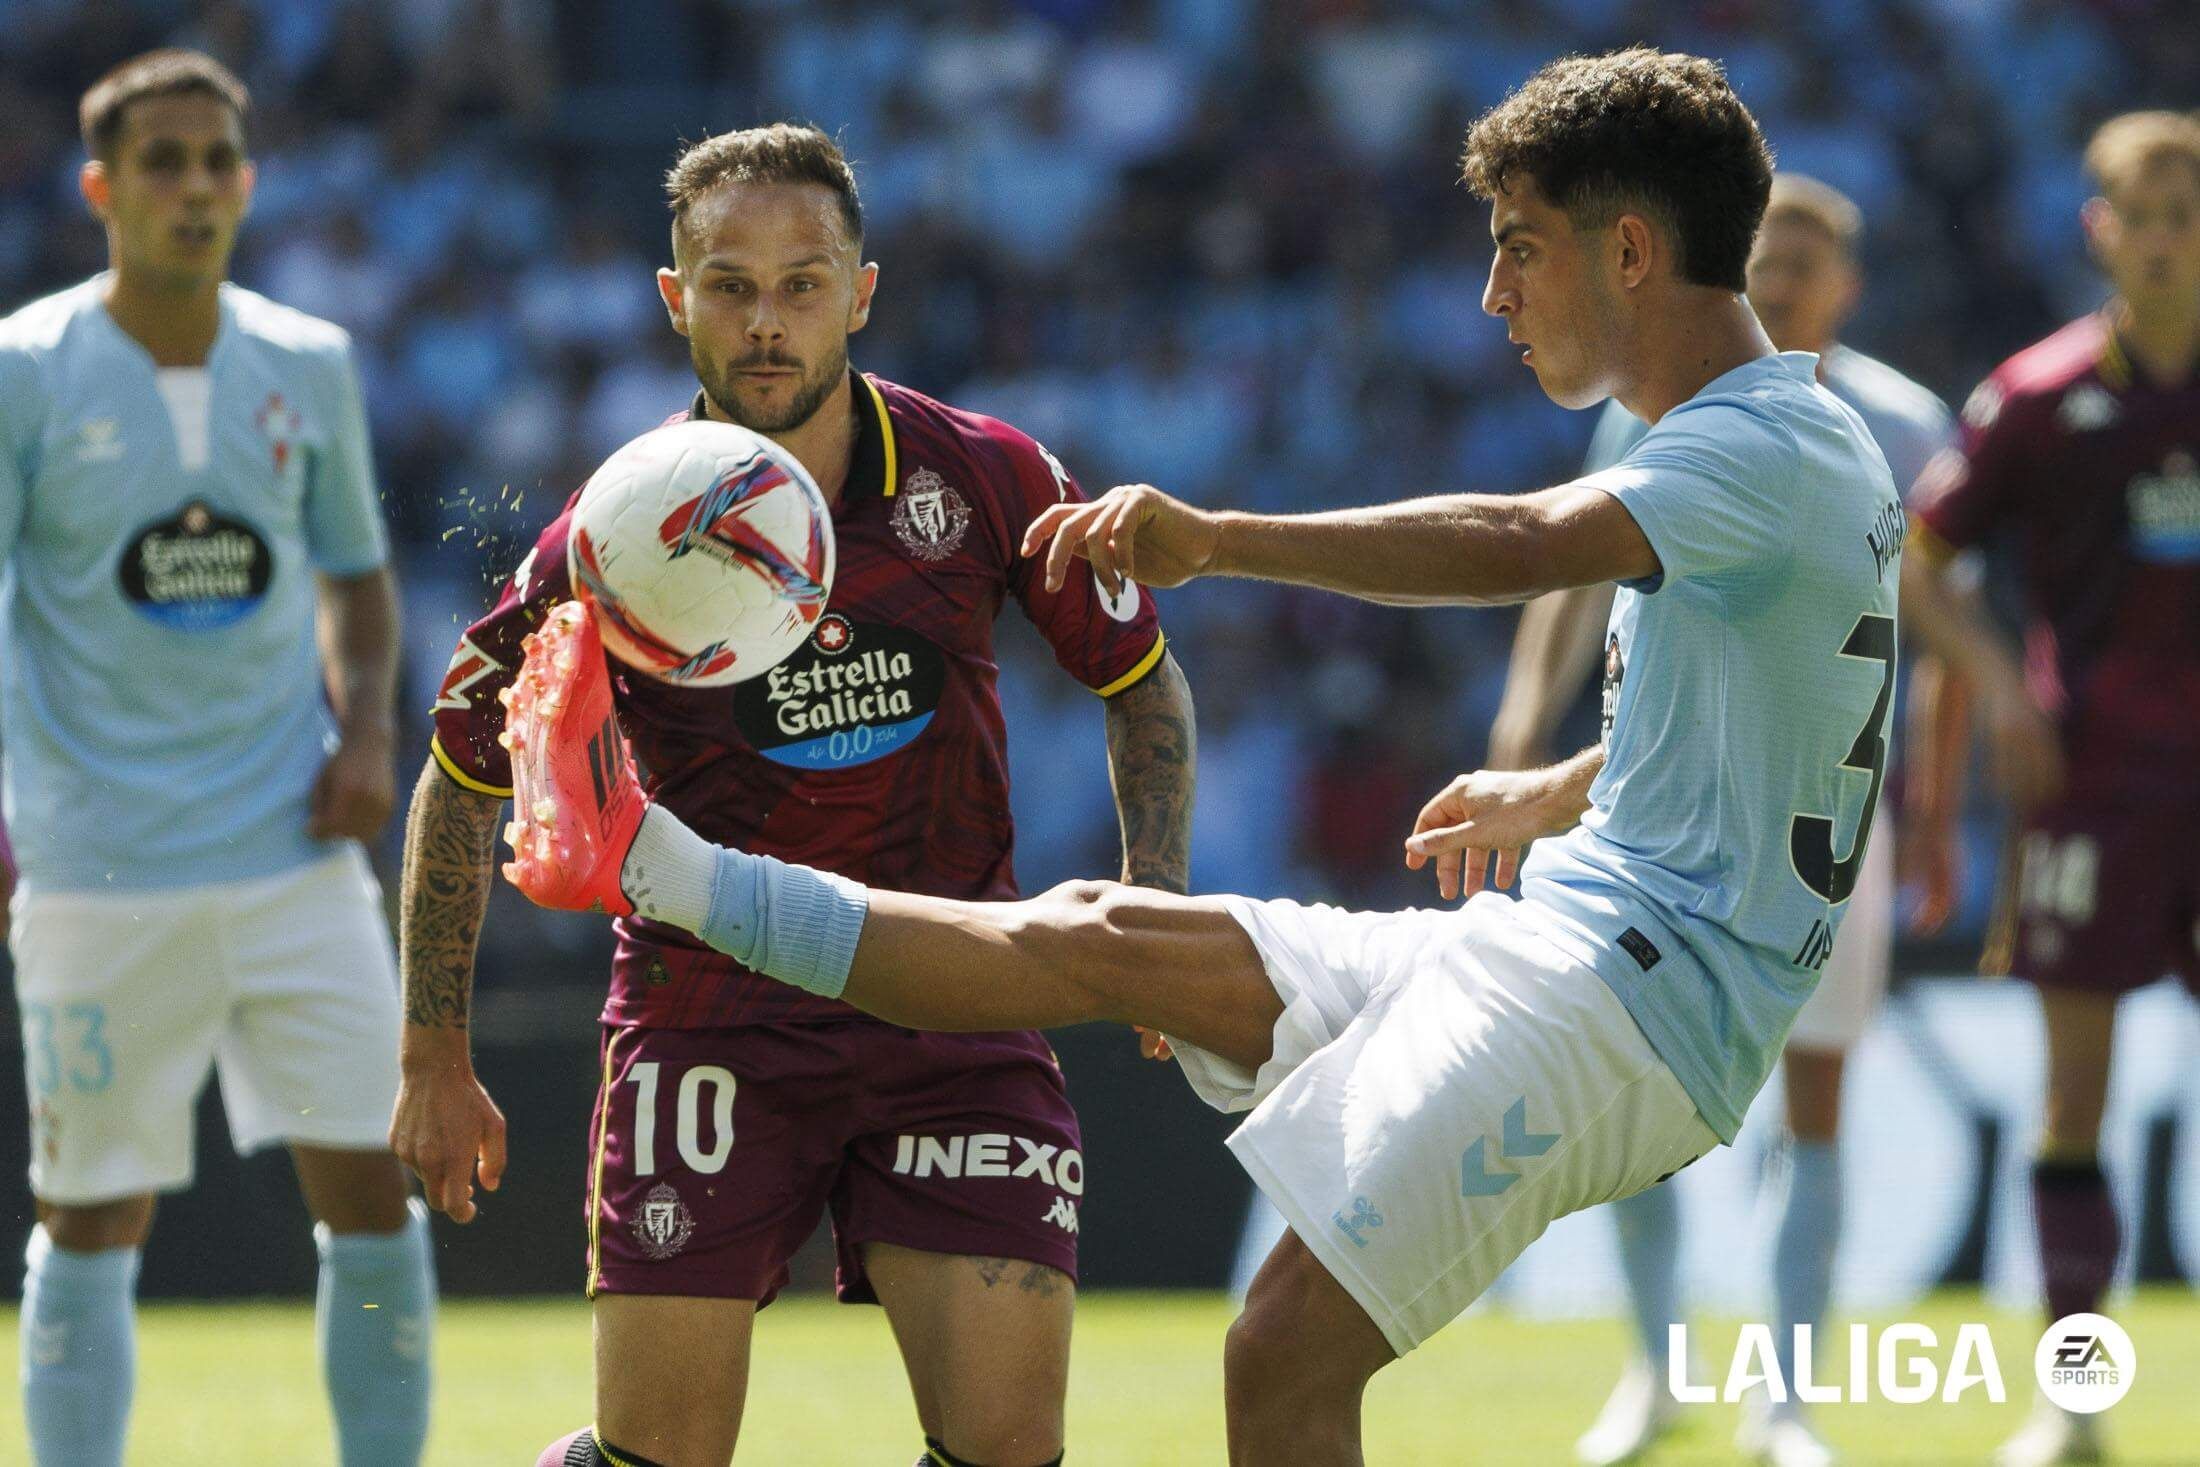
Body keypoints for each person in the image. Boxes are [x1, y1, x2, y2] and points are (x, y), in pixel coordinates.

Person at [498, 51, 1904, 1465]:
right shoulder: (1788, 447)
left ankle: (657, 862)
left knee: (1280, 1359)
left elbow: (1520, 544)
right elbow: (1773, 734)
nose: (1494, 295)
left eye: (1520, 250)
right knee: (1106, 930)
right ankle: (664, 868)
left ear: (1635, 250)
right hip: (1572, 941)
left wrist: (1219, 538)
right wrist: (1557, 791)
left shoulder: (1754, 450)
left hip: (1629, 1006)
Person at [388, 124, 1193, 1467]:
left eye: (802, 284)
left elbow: (1140, 676)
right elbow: (465, 773)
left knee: (1011, 1449)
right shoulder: (608, 535)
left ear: (863, 291)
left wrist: (1157, 902)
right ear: (672, 296)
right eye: (729, 285)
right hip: (711, 1024)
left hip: (956, 1007)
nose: (767, 324)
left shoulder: (983, 475)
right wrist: (432, 1054)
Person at [1482, 173, 1954, 1467]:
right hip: (1675, 813)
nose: (1784, 277)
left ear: (1846, 283)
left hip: (1832, 814)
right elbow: (1567, 571)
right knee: (1636, 1094)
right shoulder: (1661, 409)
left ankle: (1785, 1398)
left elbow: (1947, 626)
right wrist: (1527, 724)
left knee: (1818, 1101)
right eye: (1767, 256)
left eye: (1806, 259)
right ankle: (1654, 1368)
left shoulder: (1904, 425)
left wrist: (1945, 802)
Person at [0, 50, 430, 1467]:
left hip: (293, 853)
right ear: (101, 189)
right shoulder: (22, 372)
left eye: (216, 163)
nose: (193, 188)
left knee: (378, 1187)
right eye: (162, 162)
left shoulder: (308, 362)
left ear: (247, 186)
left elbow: (359, 582)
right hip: (94, 867)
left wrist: (367, 726)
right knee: (88, 1215)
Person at [1902, 108, 2200, 1467]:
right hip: (2092, 786)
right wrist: (2005, 690)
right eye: (2140, 219)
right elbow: (1920, 563)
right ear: (2100, 232)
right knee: (2074, 1101)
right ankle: (2075, 1397)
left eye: (2184, 218)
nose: (2162, 243)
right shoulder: (2034, 396)